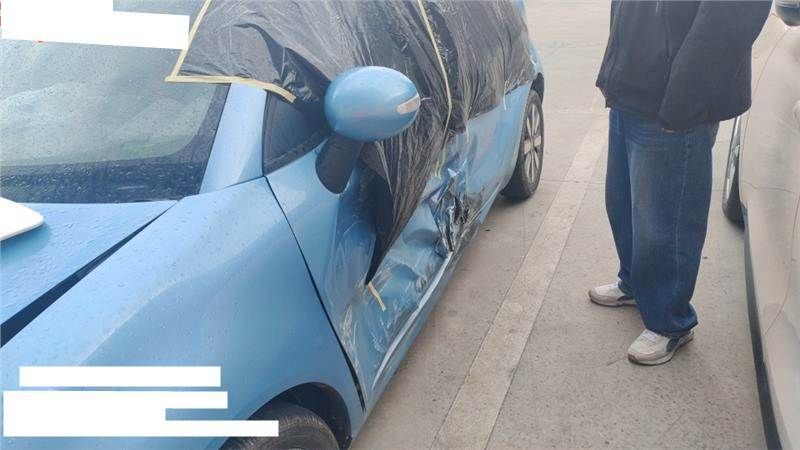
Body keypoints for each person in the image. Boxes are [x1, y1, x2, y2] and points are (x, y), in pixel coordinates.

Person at [591, 0, 771, 365]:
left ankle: (669, 320)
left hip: (673, 99)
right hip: (631, 87)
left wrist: (684, 102)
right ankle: (635, 284)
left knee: (666, 219)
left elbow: (731, 17)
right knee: (625, 204)